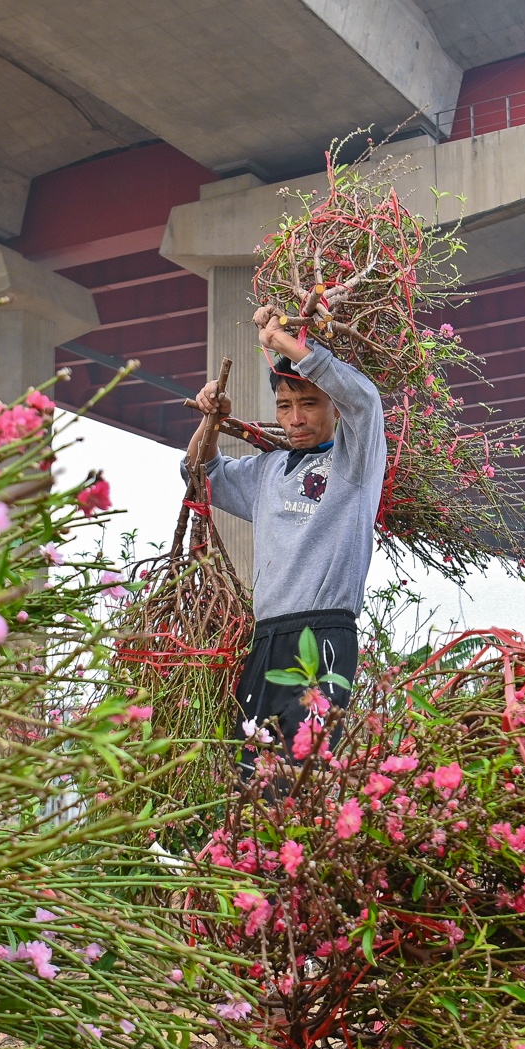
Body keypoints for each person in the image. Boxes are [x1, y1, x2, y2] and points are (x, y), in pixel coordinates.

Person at [182, 303, 385, 766]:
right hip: (267, 638)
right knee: (251, 776)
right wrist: (209, 420)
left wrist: (283, 344)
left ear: (333, 407)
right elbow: (198, 472)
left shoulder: (356, 465)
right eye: (285, 406)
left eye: (309, 404)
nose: (295, 419)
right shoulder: (268, 471)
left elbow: (366, 401)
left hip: (324, 634)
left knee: (302, 774)